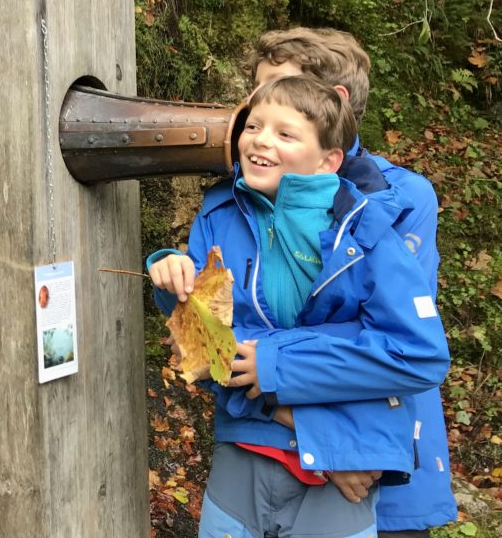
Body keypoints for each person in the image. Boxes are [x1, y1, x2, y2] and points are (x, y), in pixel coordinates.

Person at [148, 75, 450, 538]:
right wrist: (172, 280)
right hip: (247, 450)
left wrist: (274, 361)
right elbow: (208, 352)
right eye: (254, 125)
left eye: (285, 134)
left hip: (342, 479)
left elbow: (418, 354)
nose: (260, 140)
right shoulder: (217, 215)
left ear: (329, 160)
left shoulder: (366, 230)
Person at [249, 27, 457, 537]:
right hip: (272, 463)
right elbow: (229, 336)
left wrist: (337, 442)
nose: (257, 112)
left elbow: (390, 345)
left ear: (334, 100)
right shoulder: (251, 188)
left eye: (279, 90)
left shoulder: (401, 197)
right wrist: (321, 441)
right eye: (256, 96)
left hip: (382, 465)